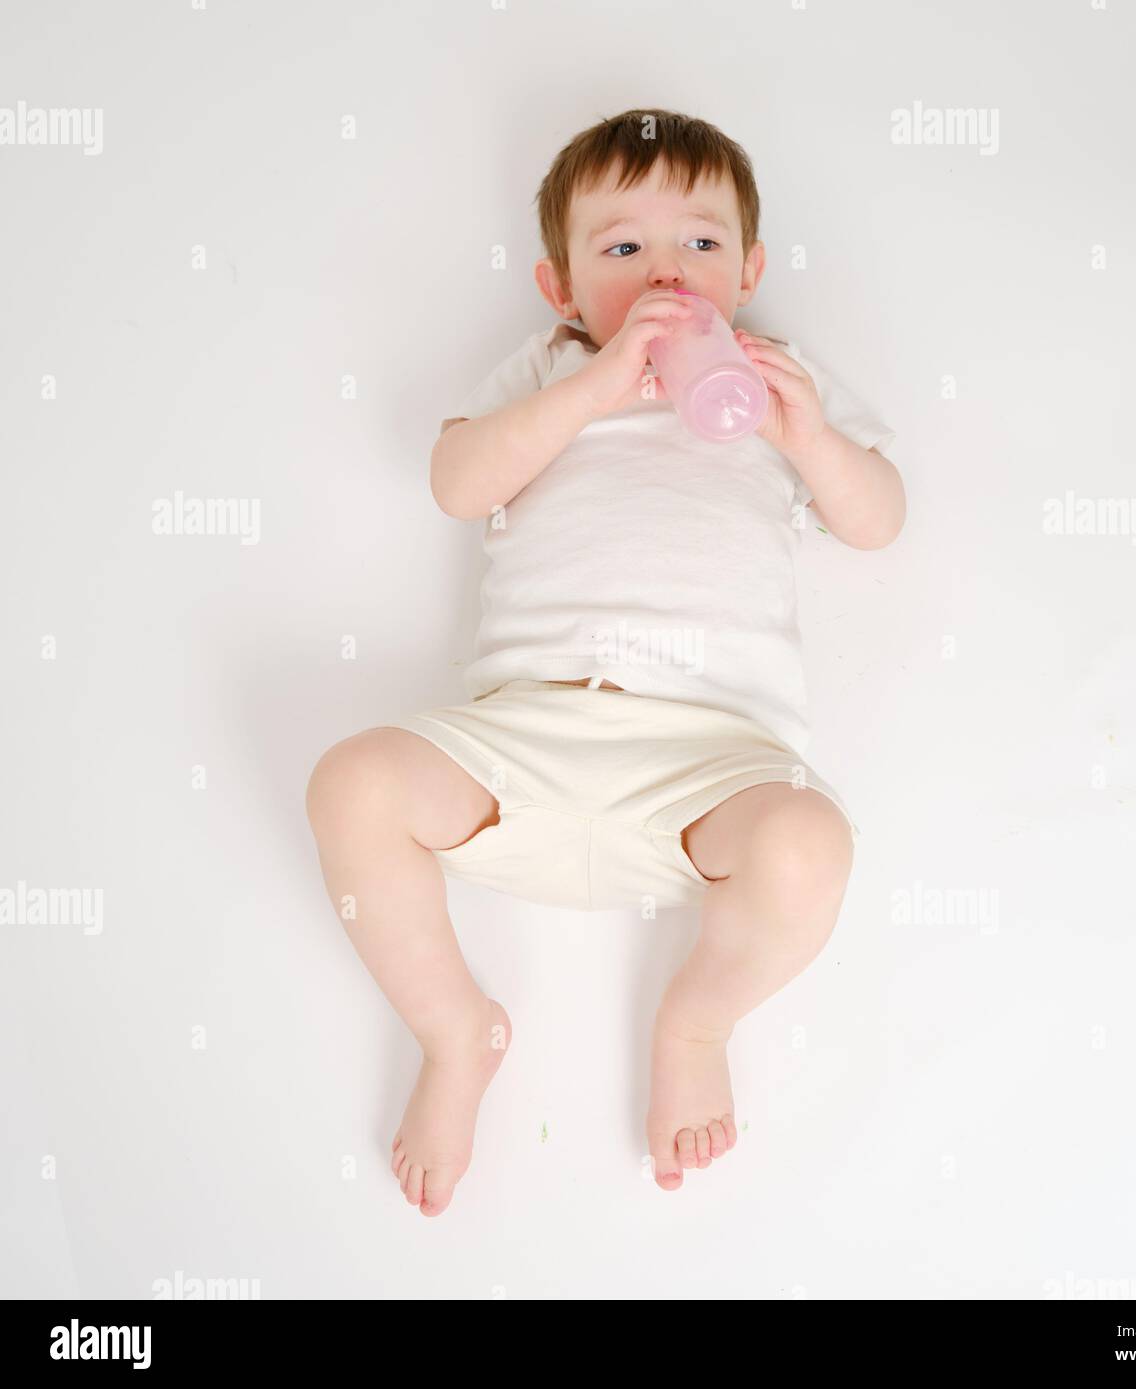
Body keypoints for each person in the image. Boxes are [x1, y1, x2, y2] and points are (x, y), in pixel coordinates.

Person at [305, 107, 904, 1216]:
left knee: (810, 846)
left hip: (710, 759)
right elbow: (456, 485)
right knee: (353, 783)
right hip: (527, 735)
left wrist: (807, 435)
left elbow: (876, 519)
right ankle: (453, 1032)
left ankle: (697, 1019)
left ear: (752, 269)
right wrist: (589, 389)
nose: (667, 274)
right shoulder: (546, 370)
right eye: (624, 250)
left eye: (702, 247)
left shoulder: (780, 383)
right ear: (563, 290)